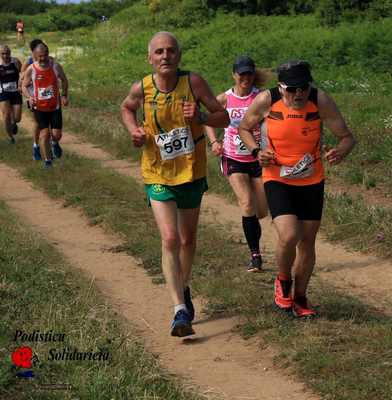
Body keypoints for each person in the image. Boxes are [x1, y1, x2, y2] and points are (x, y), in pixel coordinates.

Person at [120, 32, 229, 337]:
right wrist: (135, 130)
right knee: (170, 239)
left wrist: (202, 115)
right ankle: (179, 309)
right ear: (150, 58)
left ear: (179, 55)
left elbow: (224, 118)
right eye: (159, 52)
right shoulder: (142, 87)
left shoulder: (193, 83)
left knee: (187, 239)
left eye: (170, 51)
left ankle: (183, 285)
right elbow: (126, 108)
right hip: (156, 171)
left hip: (191, 172)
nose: (165, 56)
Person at [238, 60, 356, 318]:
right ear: (281, 88)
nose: (298, 94)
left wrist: (340, 152)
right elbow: (244, 128)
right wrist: (257, 151)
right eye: (292, 89)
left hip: (311, 179)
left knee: (307, 242)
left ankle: (301, 297)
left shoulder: (320, 100)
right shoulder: (266, 101)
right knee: (289, 234)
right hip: (277, 177)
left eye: (303, 87)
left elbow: (347, 137)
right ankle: (283, 283)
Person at [205, 55, 270, 272]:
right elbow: (208, 119)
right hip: (233, 158)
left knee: (261, 211)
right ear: (234, 74)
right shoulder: (225, 99)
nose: (246, 78)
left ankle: (254, 241)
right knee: (247, 204)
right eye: (241, 74)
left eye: (249, 73)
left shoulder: (261, 97)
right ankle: (255, 255)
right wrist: (214, 141)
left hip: (258, 158)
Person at [21, 43, 68, 168]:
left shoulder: (55, 66)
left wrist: (64, 95)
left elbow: (64, 80)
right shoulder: (31, 69)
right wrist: (29, 97)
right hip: (39, 107)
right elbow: (24, 86)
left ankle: (55, 143)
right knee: (44, 133)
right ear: (35, 55)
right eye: (40, 56)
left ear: (48, 54)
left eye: (45, 55)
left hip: (55, 106)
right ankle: (47, 161)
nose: (43, 58)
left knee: (57, 134)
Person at [20, 38, 50, 160]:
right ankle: (36, 146)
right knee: (38, 123)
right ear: (34, 51)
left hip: (48, 97)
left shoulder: (48, 60)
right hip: (34, 98)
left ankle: (50, 145)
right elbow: (22, 79)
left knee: (49, 124)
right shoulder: (28, 63)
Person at [0, 45, 22, 144]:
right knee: (6, 115)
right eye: (3, 53)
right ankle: (10, 137)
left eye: (7, 53)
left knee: (17, 118)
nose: (5, 55)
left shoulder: (16, 62)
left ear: (10, 53)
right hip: (2, 92)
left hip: (15, 91)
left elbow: (22, 73)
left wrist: (22, 85)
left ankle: (14, 122)